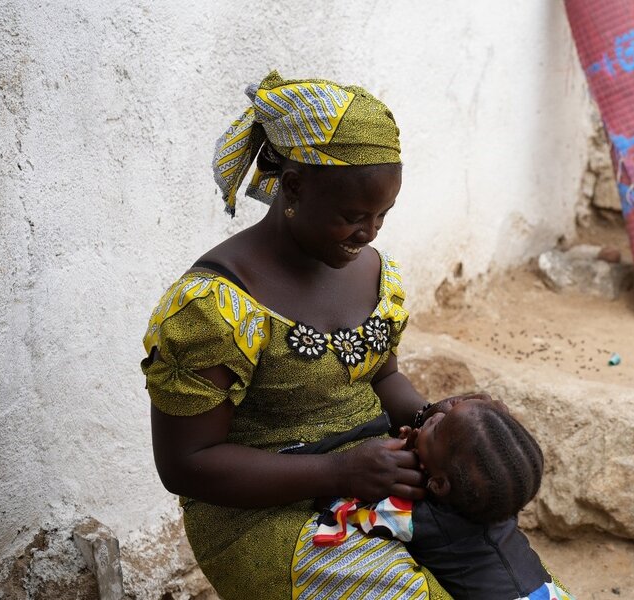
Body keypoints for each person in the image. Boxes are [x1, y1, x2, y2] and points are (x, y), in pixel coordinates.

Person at [142, 70, 452, 599]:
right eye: (352, 216)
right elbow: (185, 465)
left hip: (374, 478)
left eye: (382, 214)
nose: (370, 232)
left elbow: (385, 375)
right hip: (261, 519)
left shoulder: (374, 271)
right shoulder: (212, 307)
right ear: (294, 186)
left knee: (512, 578)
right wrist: (338, 471)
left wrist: (435, 423)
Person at [310, 393, 576, 600]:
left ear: (438, 484)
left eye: (438, 429)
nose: (436, 416)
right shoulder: (496, 502)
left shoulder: (409, 516)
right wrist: (421, 446)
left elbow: (354, 511)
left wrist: (332, 495)